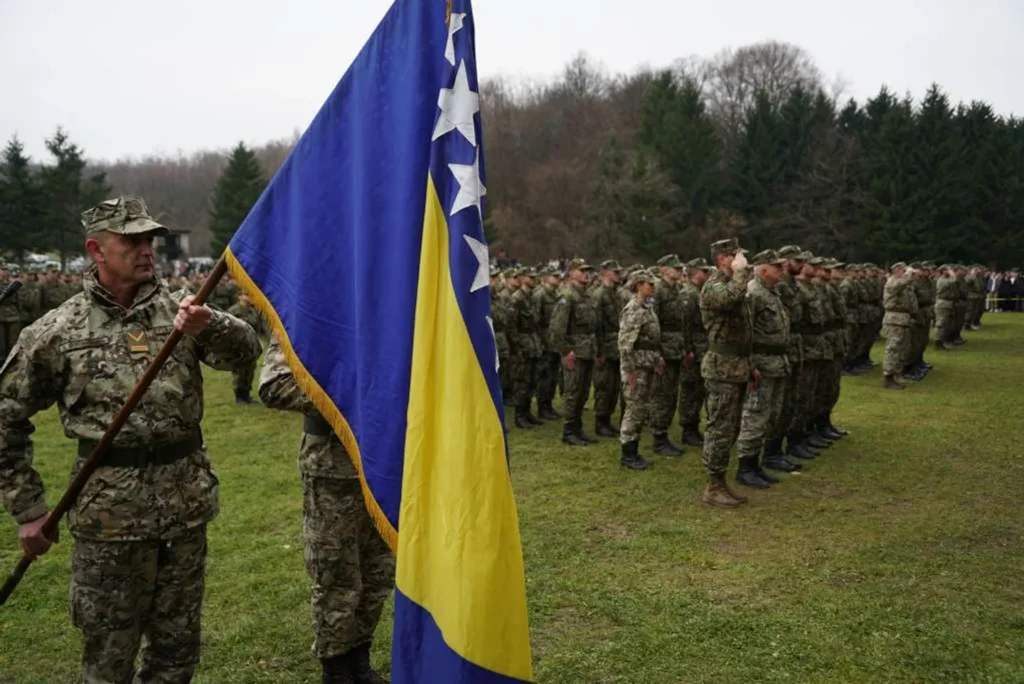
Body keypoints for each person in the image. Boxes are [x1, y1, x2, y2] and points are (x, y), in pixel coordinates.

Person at [0, 196, 262, 683]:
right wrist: (28, 509)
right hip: (108, 520)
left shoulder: (183, 312)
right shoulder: (58, 330)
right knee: (109, 658)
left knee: (177, 652)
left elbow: (246, 351)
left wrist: (213, 324)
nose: (147, 251)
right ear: (96, 249)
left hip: (185, 507)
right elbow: (4, 417)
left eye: (150, 240)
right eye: (132, 240)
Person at [259, 336, 394, 684]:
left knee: (378, 572)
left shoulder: (391, 307)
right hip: (333, 469)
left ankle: (359, 658)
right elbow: (275, 385)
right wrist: (354, 392)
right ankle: (335, 666)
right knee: (336, 575)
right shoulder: (313, 309)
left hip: (387, 463)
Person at [699, 238, 754, 508]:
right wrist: (741, 272)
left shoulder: (732, 283)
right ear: (723, 259)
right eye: (734, 255)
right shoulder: (714, 286)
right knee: (720, 428)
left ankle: (720, 481)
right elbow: (730, 298)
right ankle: (713, 485)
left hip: (736, 365)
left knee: (731, 428)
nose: (740, 260)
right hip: (721, 367)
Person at [735, 250, 790, 489]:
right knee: (754, 416)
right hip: (761, 364)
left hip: (776, 363)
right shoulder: (753, 294)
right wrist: (750, 365)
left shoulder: (771, 293)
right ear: (763, 270)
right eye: (776, 267)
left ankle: (757, 464)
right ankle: (745, 467)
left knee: (770, 415)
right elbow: (743, 333)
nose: (782, 270)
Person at [549, 259, 599, 446]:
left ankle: (577, 428)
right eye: (582, 271)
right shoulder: (567, 297)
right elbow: (557, 328)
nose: (586, 274)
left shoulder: (587, 296)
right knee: (572, 391)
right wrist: (565, 351)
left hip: (587, 350)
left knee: (584, 392)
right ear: (571, 273)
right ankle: (568, 431)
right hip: (574, 353)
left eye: (588, 271)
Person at [617, 269, 663, 470]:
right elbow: (625, 344)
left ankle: (634, 451)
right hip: (636, 367)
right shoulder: (634, 309)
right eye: (649, 284)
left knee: (641, 408)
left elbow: (651, 339)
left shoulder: (647, 307)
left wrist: (657, 358)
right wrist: (630, 372)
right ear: (638, 286)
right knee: (634, 409)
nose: (653, 287)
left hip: (647, 364)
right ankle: (628, 454)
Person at [649, 255, 689, 457]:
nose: (679, 270)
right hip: (663, 349)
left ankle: (664, 434)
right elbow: (652, 323)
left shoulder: (677, 290)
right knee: (661, 395)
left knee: (671, 394)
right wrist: (656, 354)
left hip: (676, 349)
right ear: (663, 270)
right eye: (675, 268)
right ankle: (658, 436)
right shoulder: (657, 290)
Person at [678, 258, 711, 447]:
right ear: (696, 273)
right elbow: (685, 325)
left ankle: (693, 427)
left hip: (702, 348)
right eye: (704, 272)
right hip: (693, 350)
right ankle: (687, 429)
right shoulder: (688, 294)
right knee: (690, 390)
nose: (707, 275)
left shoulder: (698, 292)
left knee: (698, 390)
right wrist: (687, 349)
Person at [591, 260, 623, 438]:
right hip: (605, 347)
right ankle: (600, 421)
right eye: (614, 271)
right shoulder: (599, 295)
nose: (618, 274)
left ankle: (608, 419)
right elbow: (597, 326)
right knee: (604, 386)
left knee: (614, 386)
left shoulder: (616, 294)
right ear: (604, 273)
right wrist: (599, 351)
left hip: (616, 345)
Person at [532, 266, 562, 421]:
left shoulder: (557, 294)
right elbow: (535, 321)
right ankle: (542, 407)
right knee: (544, 376)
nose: (558, 279)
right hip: (544, 340)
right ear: (546, 277)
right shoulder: (540, 295)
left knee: (553, 376)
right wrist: (540, 341)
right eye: (554, 276)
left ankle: (549, 405)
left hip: (555, 342)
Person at [881, 262, 919, 389]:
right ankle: (888, 376)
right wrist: (908, 274)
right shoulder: (892, 282)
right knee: (893, 348)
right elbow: (901, 284)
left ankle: (897, 373)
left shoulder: (903, 284)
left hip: (903, 319)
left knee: (902, 349)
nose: (906, 273)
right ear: (896, 271)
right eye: (903, 270)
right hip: (894, 319)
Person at [227, 292, 266, 404]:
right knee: (239, 370)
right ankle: (239, 395)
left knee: (250, 369)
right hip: (238, 343)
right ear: (240, 296)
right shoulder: (233, 311)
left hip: (251, 344)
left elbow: (258, 327)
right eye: (247, 295)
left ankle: (246, 394)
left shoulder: (252, 310)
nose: (250, 297)